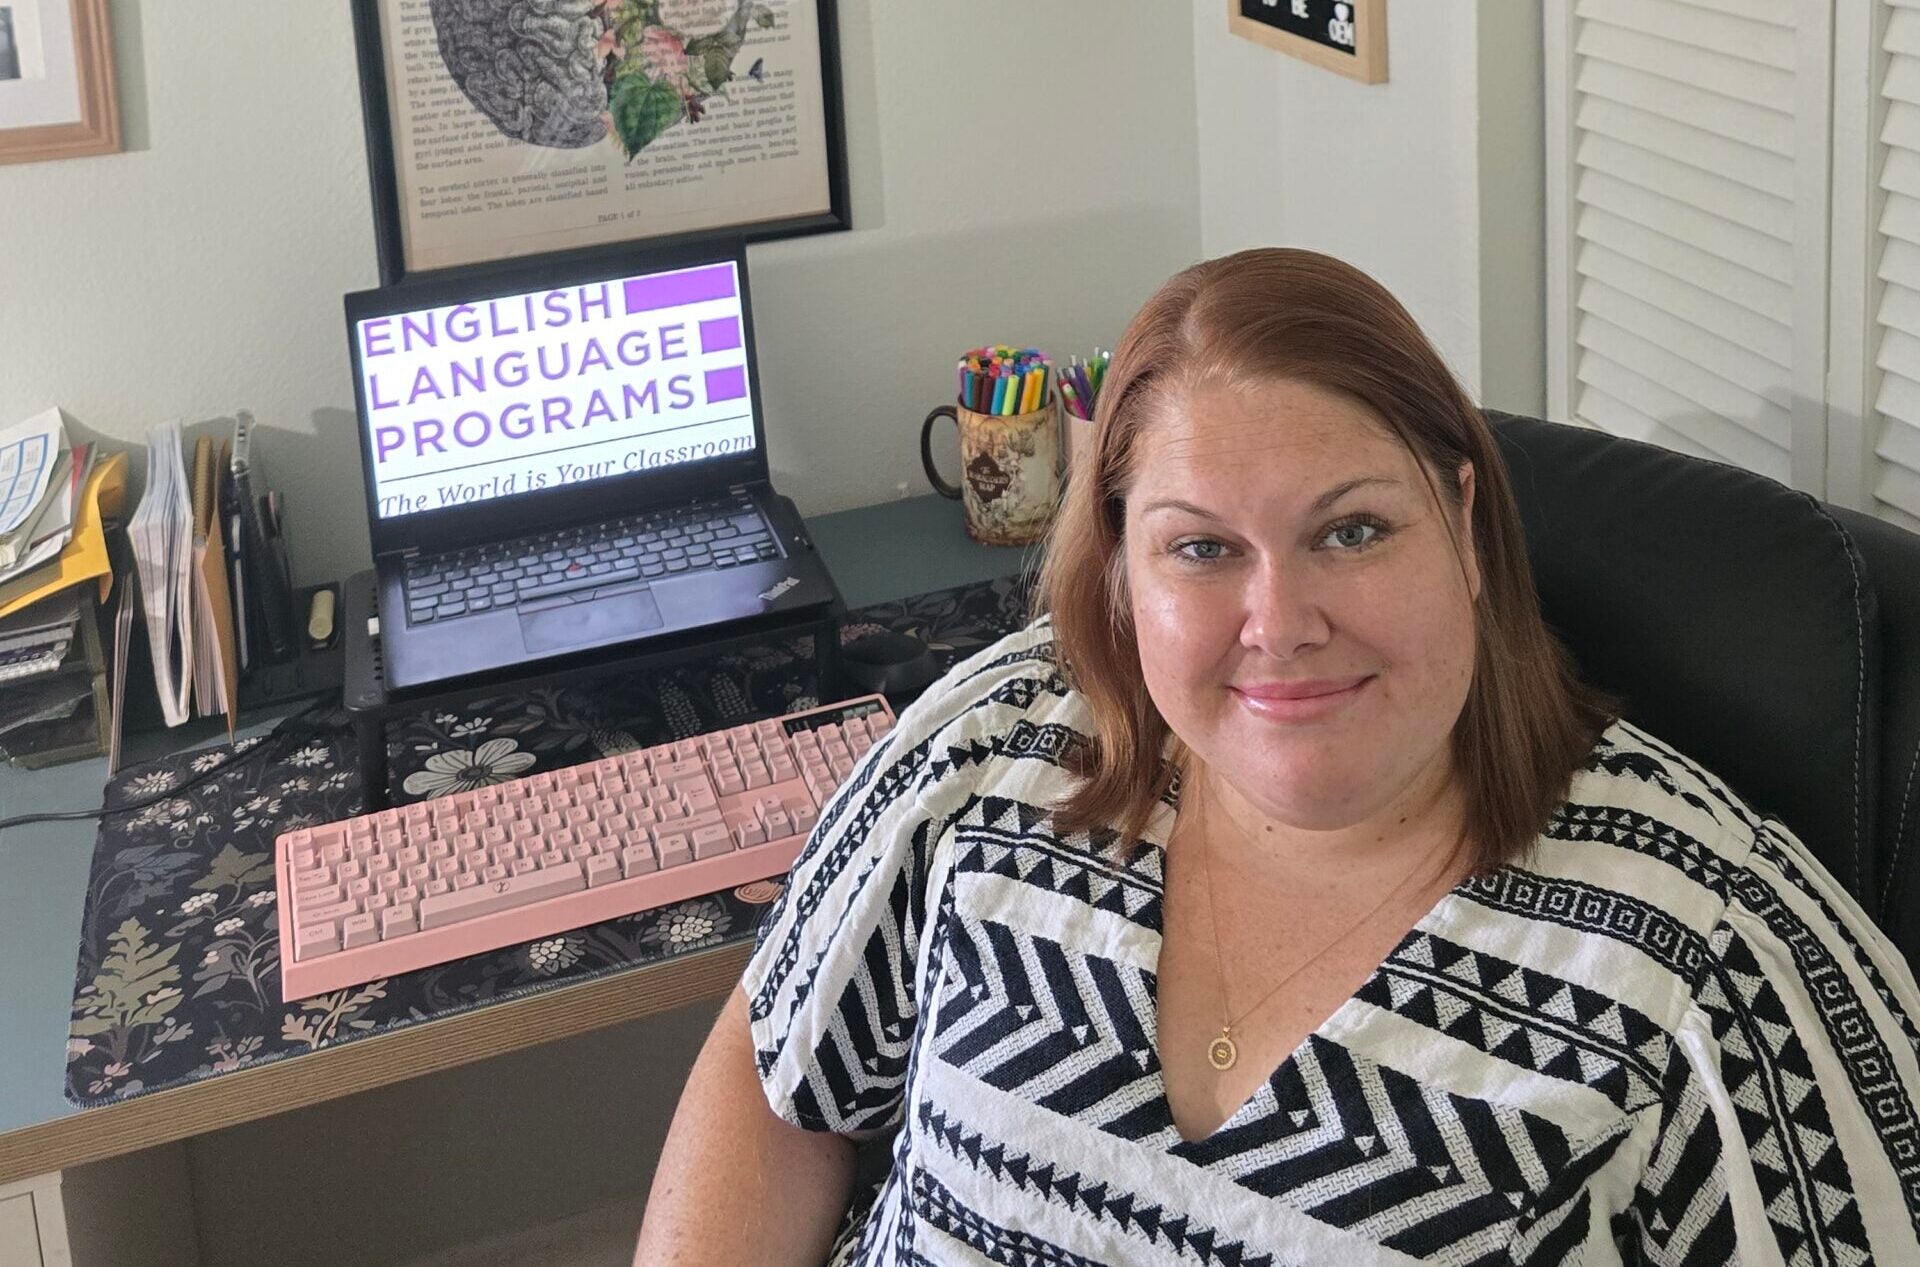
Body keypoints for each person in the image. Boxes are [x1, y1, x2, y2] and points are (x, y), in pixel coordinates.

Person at [634, 249, 1920, 1265]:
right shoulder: (997, 740)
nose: (1282, 623)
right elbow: (776, 1074)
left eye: (1352, 530)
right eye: (1201, 548)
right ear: (1124, 572)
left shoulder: (1709, 955)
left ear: (1464, 528)